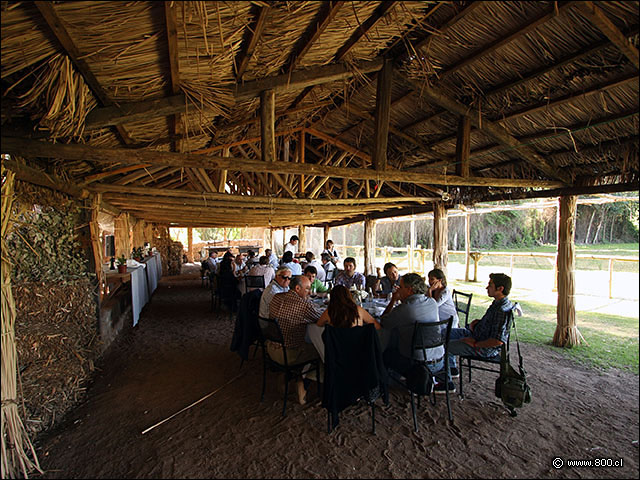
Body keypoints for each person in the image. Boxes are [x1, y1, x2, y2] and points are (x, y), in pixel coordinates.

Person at [446, 273, 513, 393]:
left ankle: (446, 383)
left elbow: (498, 341)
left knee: (444, 347)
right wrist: (478, 323)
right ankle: (451, 368)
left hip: (482, 347)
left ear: (500, 288)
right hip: (475, 335)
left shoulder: (502, 309)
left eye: (490, 285)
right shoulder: (498, 303)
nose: (487, 287)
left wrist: (475, 344)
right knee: (445, 333)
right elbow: (492, 325)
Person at [380, 273, 447, 391]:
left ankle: (387, 387)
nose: (398, 289)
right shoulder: (432, 302)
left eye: (400, 287)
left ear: (409, 290)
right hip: (439, 361)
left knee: (386, 353)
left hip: (417, 364)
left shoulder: (405, 308)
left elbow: (384, 322)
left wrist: (393, 300)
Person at [269, 275, 323, 405]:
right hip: (290, 354)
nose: (309, 292)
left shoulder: (276, 297)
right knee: (321, 351)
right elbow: (321, 320)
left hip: (271, 348)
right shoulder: (304, 306)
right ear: (297, 288)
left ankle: (284, 377)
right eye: (308, 289)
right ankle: (302, 384)